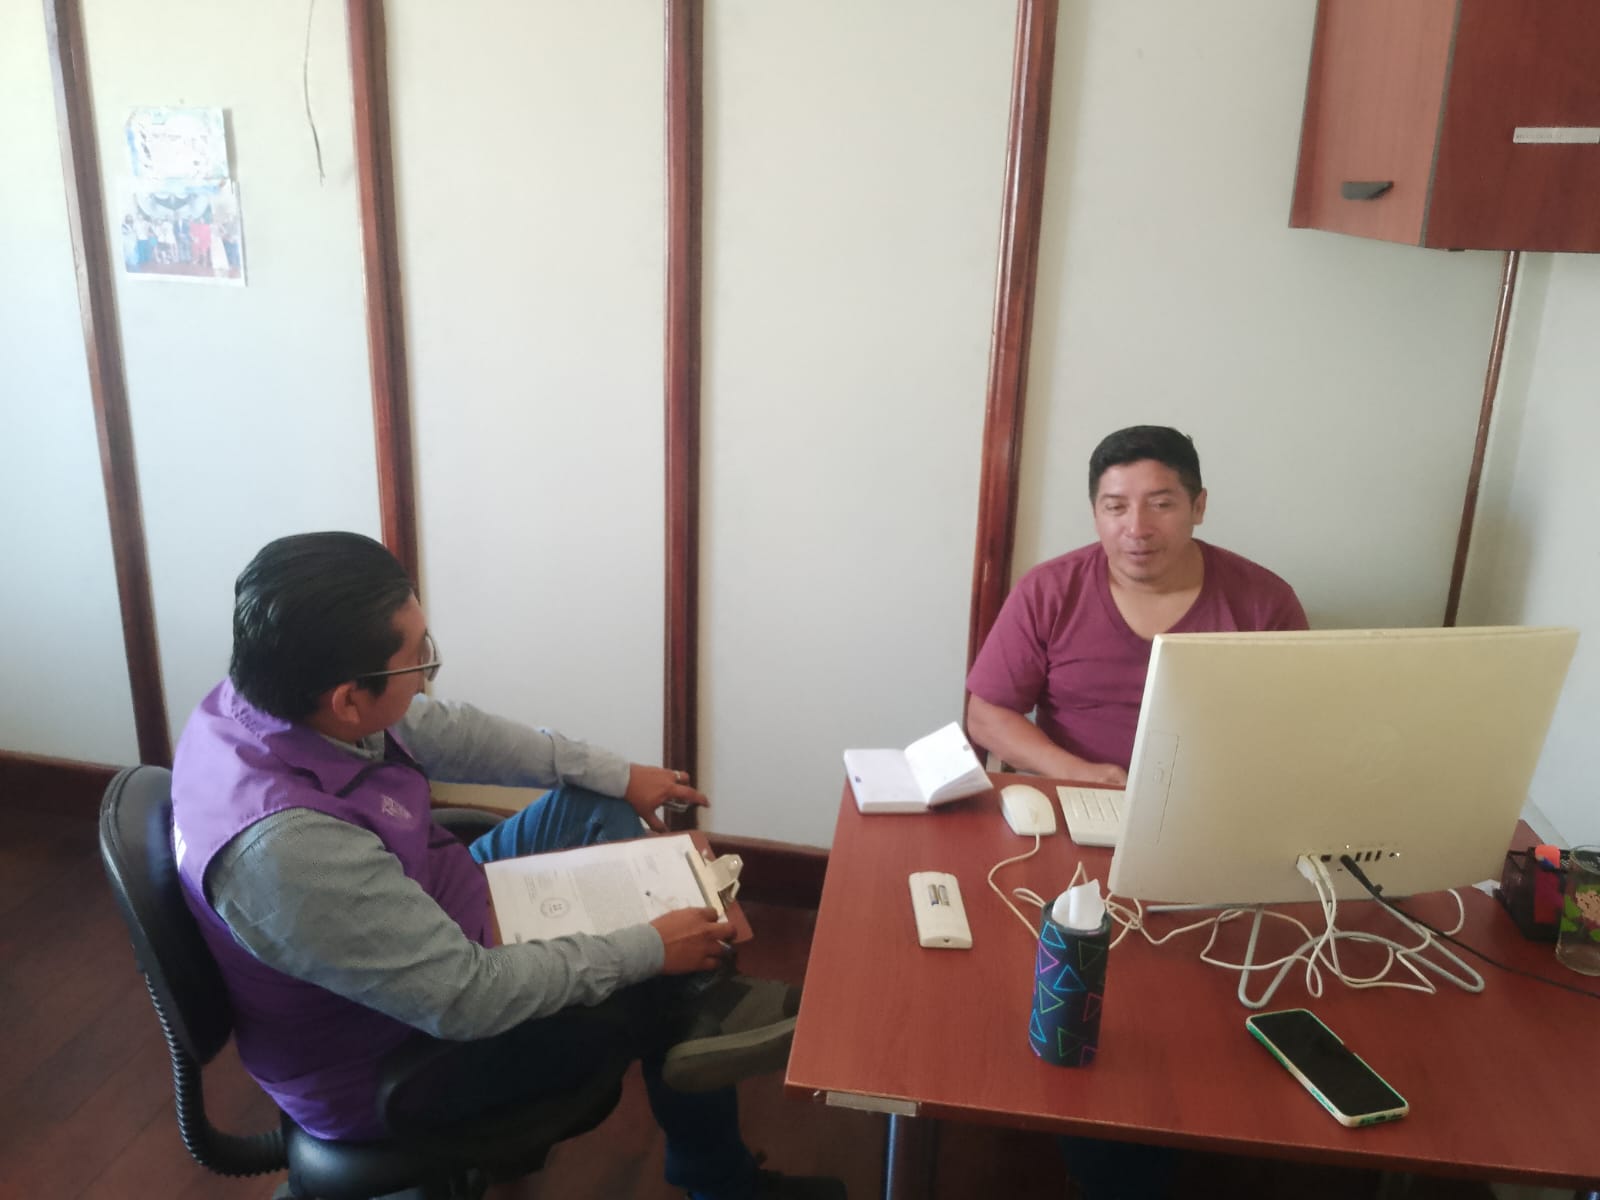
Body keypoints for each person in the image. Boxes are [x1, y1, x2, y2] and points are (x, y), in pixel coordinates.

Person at [170, 532, 843, 1200]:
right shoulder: (289, 851)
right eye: (417, 661)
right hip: (397, 1053)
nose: (425, 676)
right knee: (653, 975)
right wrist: (647, 948)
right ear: (349, 699)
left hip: (428, 909)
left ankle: (702, 1008)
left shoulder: (271, 697)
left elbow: (451, 731)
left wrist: (618, 773)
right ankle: (722, 1161)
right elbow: (465, 996)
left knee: (597, 809)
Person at [966, 424, 1307, 785]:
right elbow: (986, 715)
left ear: (1198, 506)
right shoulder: (1048, 591)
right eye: (1116, 507)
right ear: (1095, 513)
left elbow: (1300, 723)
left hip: (1218, 797)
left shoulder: (1264, 601)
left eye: (1161, 505)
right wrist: (1076, 773)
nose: (1137, 528)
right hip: (1078, 795)